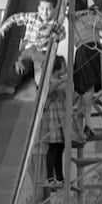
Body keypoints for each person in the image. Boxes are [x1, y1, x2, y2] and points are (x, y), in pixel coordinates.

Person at [0, 0, 63, 95]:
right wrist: (4, 27)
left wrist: (54, 36)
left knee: (40, 69)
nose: (45, 12)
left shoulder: (54, 23)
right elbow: (15, 18)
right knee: (20, 66)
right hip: (28, 49)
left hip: (41, 51)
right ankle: (9, 87)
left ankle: (42, 87)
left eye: (48, 9)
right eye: (42, 9)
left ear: (54, 10)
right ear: (38, 8)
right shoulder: (31, 17)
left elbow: (62, 34)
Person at [39, 57, 71, 186]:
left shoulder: (62, 82)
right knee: (53, 146)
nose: (65, 68)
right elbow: (47, 92)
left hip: (61, 114)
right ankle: (50, 176)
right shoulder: (49, 79)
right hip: (52, 113)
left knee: (60, 146)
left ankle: (60, 176)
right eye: (63, 66)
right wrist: (61, 82)